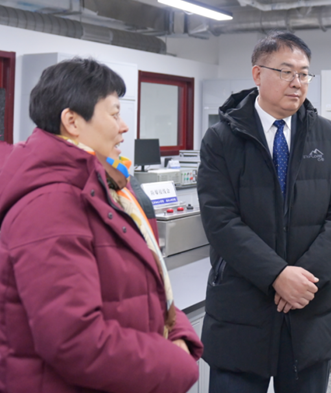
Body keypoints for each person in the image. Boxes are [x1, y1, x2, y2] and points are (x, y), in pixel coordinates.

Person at [0, 58, 203, 393]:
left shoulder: (100, 186)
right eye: (114, 114)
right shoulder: (50, 205)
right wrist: (175, 363)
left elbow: (144, 285)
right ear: (72, 121)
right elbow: (74, 339)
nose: (124, 126)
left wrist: (177, 331)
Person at [197, 31, 331, 393]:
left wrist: (303, 278)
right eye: (286, 72)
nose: (297, 82)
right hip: (241, 307)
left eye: (304, 74)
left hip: (308, 305)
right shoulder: (221, 139)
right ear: (257, 74)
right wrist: (276, 274)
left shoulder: (327, 135)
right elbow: (220, 219)